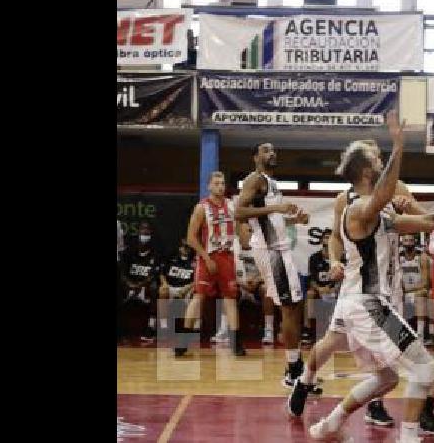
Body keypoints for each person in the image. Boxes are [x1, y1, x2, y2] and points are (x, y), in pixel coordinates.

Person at [292, 112, 434, 443]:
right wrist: (399, 146)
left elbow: (431, 222)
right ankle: (408, 436)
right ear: (366, 171)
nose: (380, 163)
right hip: (368, 305)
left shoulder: (381, 212)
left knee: (386, 378)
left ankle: (330, 424)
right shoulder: (359, 208)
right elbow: (382, 194)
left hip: (362, 305)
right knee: (423, 367)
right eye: (375, 160)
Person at [235, 143, 311, 384]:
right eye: (266, 151)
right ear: (256, 157)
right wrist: (277, 207)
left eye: (274, 150)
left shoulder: (270, 182)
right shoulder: (254, 180)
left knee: (295, 304)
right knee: (289, 307)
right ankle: (292, 369)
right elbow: (239, 212)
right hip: (270, 250)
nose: (272, 153)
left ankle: (295, 362)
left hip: (277, 248)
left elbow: (270, 219)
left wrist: (292, 219)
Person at [176, 172, 246, 357]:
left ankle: (236, 342)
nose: (220, 187)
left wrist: (247, 235)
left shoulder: (232, 205)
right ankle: (183, 341)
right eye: (216, 184)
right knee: (199, 298)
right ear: (209, 186)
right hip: (207, 257)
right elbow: (191, 237)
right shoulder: (202, 208)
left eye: (223, 183)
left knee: (230, 299)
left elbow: (242, 232)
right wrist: (206, 258)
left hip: (228, 258)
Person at [121, 221, 161, 343]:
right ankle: (122, 331)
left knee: (155, 288)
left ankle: (151, 327)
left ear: (151, 233)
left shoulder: (156, 252)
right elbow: (122, 272)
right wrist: (130, 284)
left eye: (147, 230)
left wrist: (140, 285)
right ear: (138, 232)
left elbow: (154, 273)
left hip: (145, 287)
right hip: (129, 286)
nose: (145, 232)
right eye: (143, 230)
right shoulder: (129, 251)